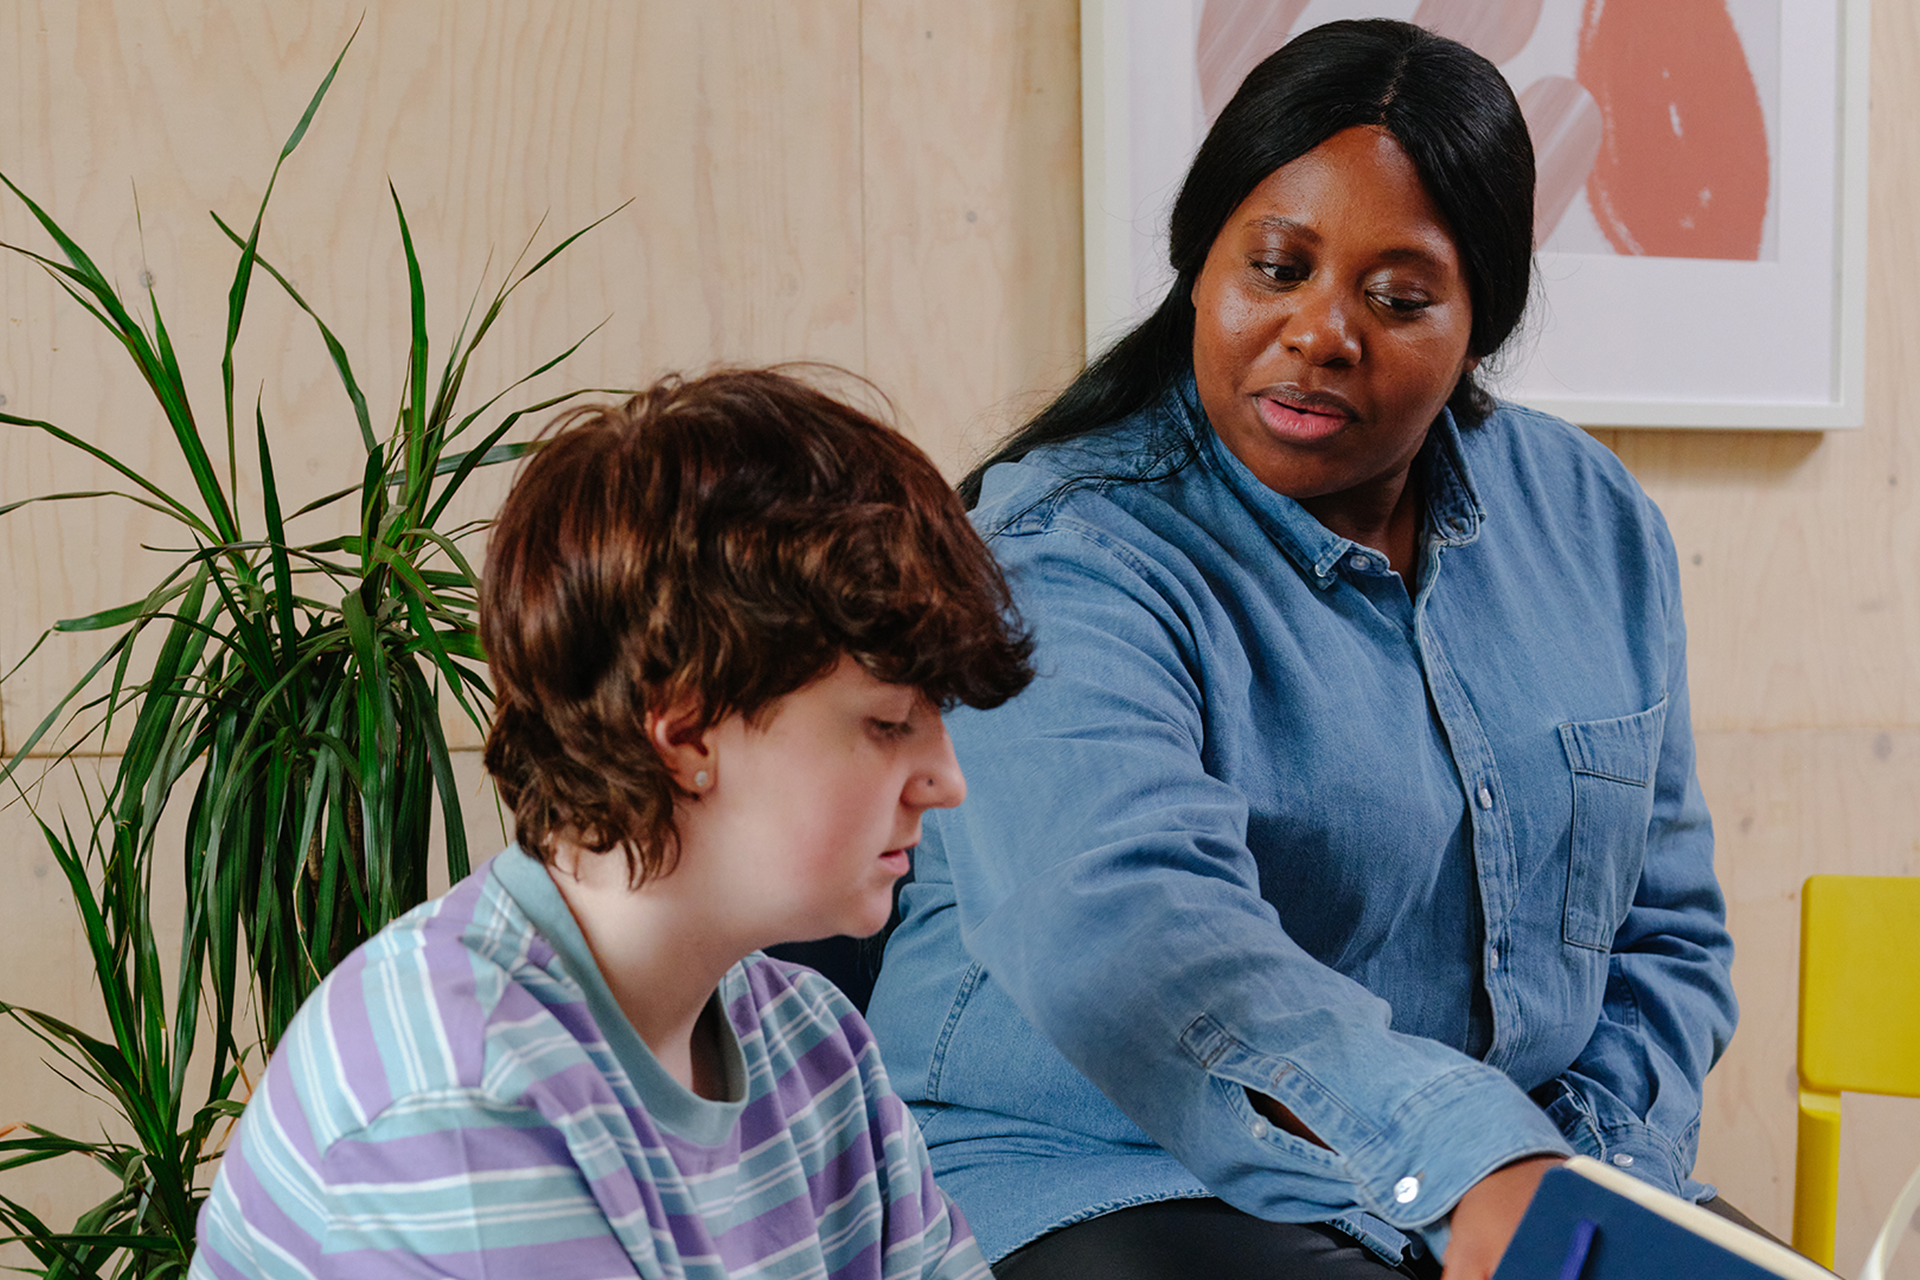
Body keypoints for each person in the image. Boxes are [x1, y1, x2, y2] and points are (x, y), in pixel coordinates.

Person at [863, 19, 1740, 1280]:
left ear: (1477, 317)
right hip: (1087, 1165)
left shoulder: (1592, 523)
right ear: (1198, 269)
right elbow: (1128, 935)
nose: (1322, 332)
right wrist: (1471, 1167)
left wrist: (1582, 1181)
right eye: (1276, 268)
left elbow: (1666, 934)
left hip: (1489, 1180)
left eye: (1397, 298)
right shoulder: (1070, 551)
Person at [191, 368, 1034, 1279]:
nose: (946, 781)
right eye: (886, 723)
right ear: (684, 731)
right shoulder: (456, 1095)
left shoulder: (815, 1049)